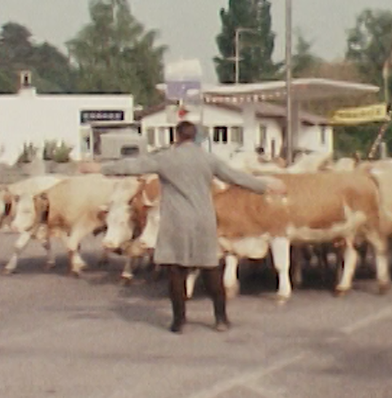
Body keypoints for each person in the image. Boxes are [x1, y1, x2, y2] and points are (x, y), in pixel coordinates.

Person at [80, 121, 286, 334]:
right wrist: (266, 186)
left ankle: (179, 321)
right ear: (195, 136)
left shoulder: (166, 158)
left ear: (177, 136)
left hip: (175, 222)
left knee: (176, 272)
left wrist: (99, 168)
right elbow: (235, 177)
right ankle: (221, 318)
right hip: (203, 221)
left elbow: (134, 166)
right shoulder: (208, 159)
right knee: (211, 270)